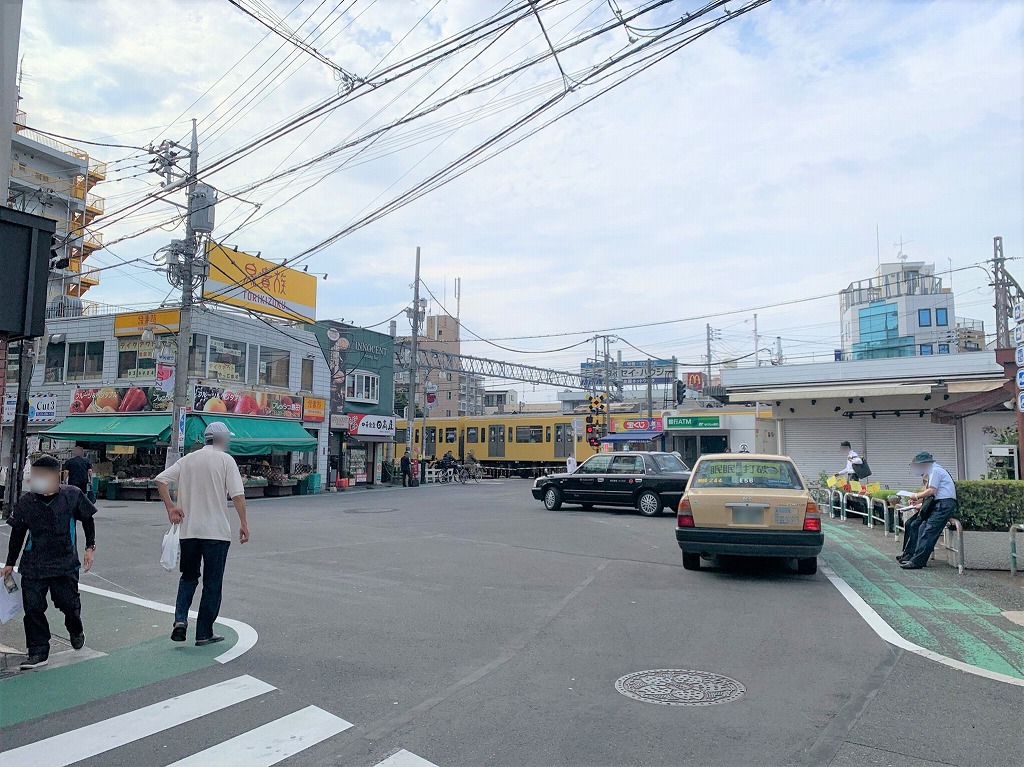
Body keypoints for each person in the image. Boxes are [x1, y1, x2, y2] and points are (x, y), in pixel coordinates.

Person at [155, 422, 249, 646]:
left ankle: (180, 620)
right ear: (221, 439)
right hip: (216, 532)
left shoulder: (187, 460)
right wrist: (244, 523)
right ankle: (204, 632)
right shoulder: (226, 460)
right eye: (227, 438)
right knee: (212, 582)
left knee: (188, 577)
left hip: (189, 531)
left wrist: (171, 508)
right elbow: (237, 495)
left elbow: (160, 480)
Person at [2, 455, 97, 670]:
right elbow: (17, 533)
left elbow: (88, 520)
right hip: (33, 564)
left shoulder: (72, 495)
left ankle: (75, 628)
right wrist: (10, 563)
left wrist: (89, 547)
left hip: (64, 562)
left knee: (69, 605)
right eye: (36, 476)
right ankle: (38, 650)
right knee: (33, 608)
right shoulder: (27, 502)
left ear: (58, 476)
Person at [899, 452, 958, 570]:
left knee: (928, 530)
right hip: (940, 503)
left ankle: (917, 561)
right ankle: (913, 557)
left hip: (943, 504)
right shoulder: (934, 471)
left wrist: (916, 496)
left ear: (924, 464)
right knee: (921, 527)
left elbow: (932, 491)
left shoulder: (935, 471)